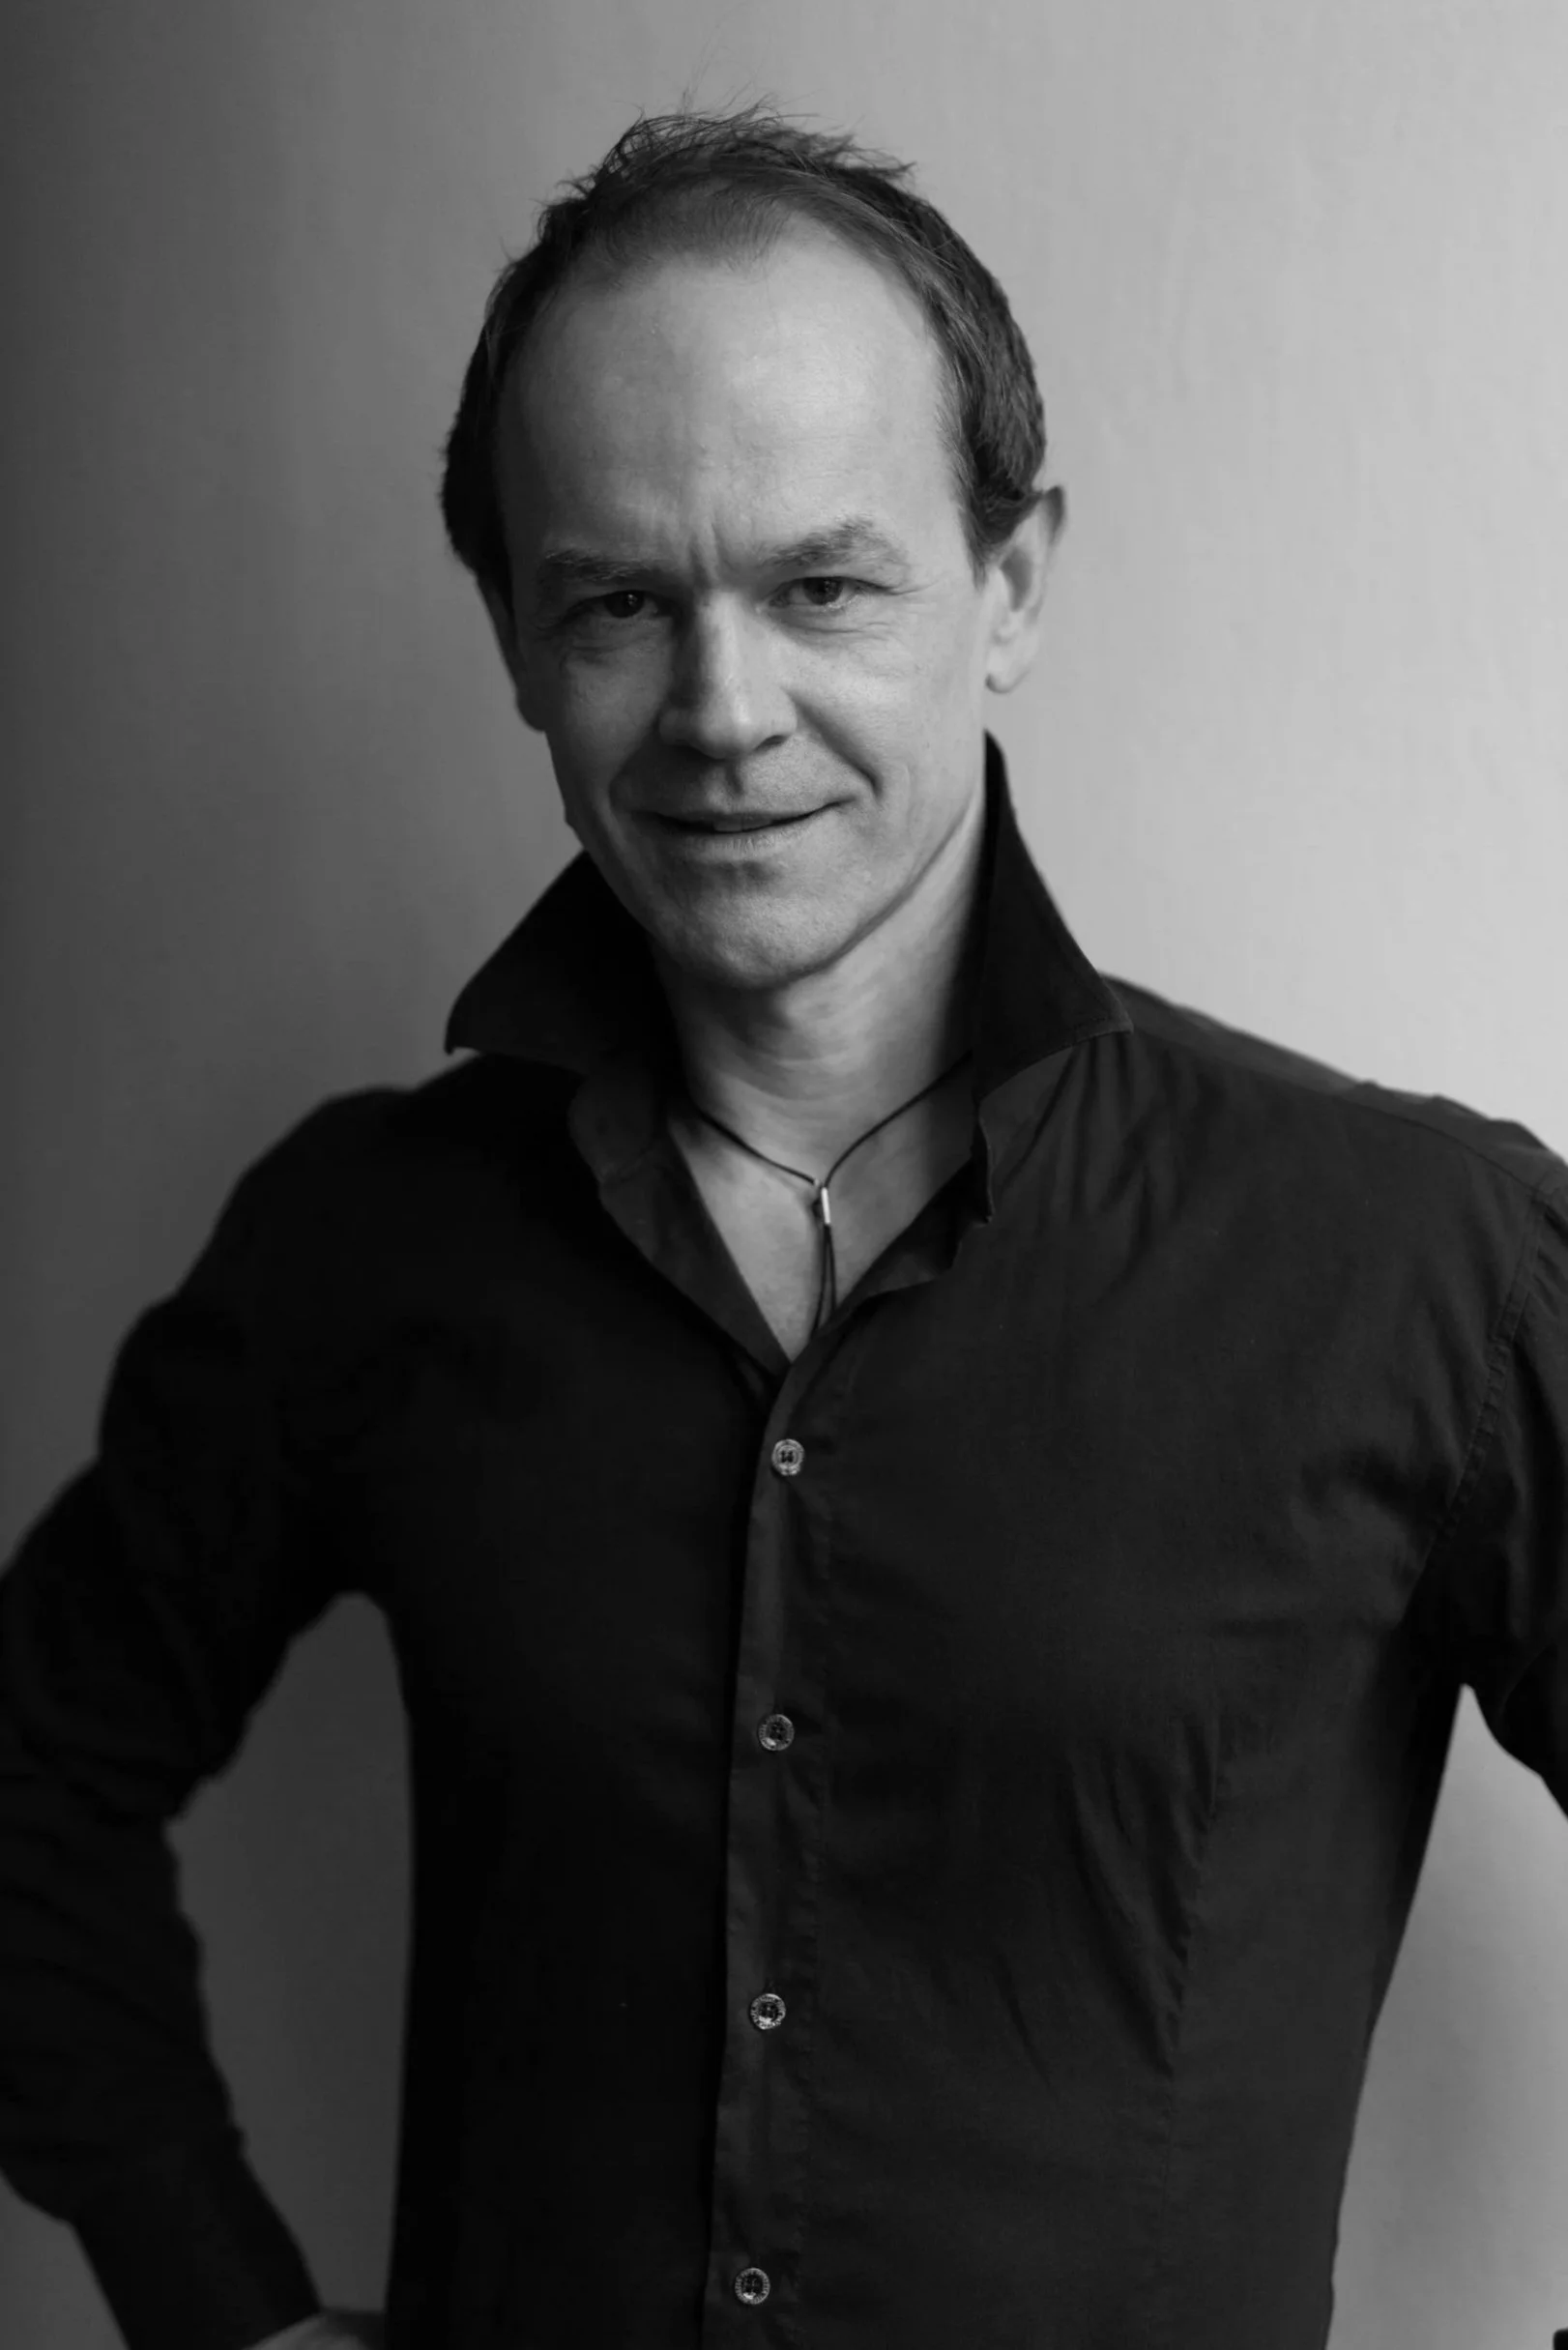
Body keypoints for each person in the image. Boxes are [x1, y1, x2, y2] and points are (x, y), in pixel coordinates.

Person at [1, 103, 1565, 2350]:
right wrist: (202, 2291)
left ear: (1007, 584)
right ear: (519, 644)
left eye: (824, 584)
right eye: (623, 601)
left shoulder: (1414, 1257)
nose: (724, 715)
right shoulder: (367, 1244)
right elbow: (31, 1778)